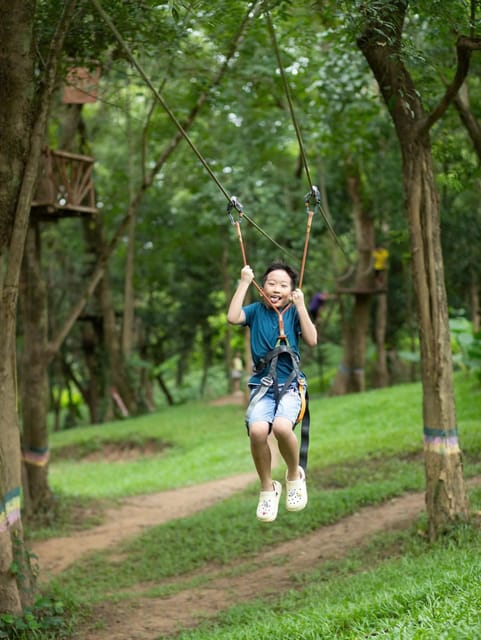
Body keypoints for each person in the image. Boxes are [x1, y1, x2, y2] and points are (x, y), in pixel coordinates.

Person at [227, 261, 317, 522]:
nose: (276, 288)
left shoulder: (292, 312)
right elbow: (233, 318)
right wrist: (243, 281)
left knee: (280, 428)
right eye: (271, 283)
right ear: (261, 287)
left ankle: (293, 474)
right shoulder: (255, 311)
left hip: (290, 385)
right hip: (262, 386)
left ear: (291, 291)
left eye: (283, 285)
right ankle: (268, 486)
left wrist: (301, 306)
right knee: (257, 432)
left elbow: (311, 339)